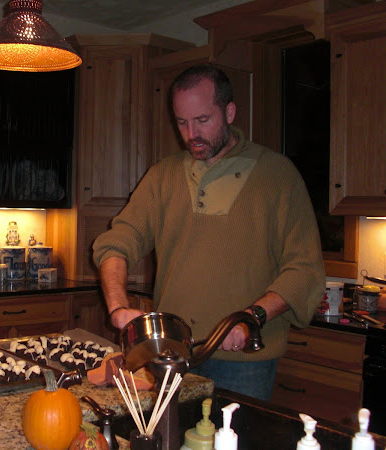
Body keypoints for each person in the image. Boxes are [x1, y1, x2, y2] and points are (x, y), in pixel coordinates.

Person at [92, 64, 325, 401]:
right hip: (172, 355)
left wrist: (251, 317)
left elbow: (304, 270)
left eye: (202, 120)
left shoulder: (277, 175)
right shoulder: (163, 175)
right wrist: (117, 308)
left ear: (229, 111)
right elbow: (117, 243)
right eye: (182, 122)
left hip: (246, 363)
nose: (191, 134)